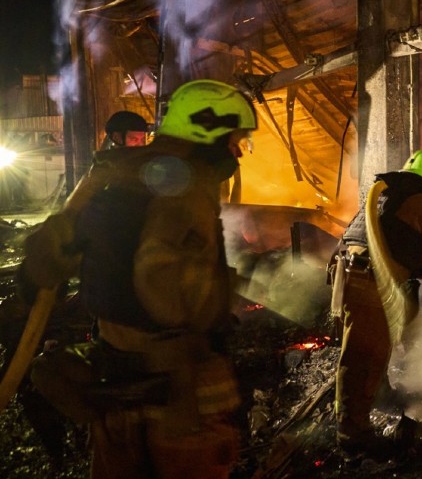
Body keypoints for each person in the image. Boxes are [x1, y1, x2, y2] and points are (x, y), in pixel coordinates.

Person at [16, 79, 257, 479]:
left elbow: (45, 260)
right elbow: (165, 288)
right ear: (208, 130)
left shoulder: (112, 176)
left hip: (112, 386)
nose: (238, 152)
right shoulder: (188, 185)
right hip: (180, 394)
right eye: (236, 140)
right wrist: (217, 299)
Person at [330, 148, 422, 454]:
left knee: (362, 352)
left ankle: (375, 397)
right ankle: (352, 432)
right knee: (364, 357)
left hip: (348, 276)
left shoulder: (386, 193)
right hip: (369, 283)